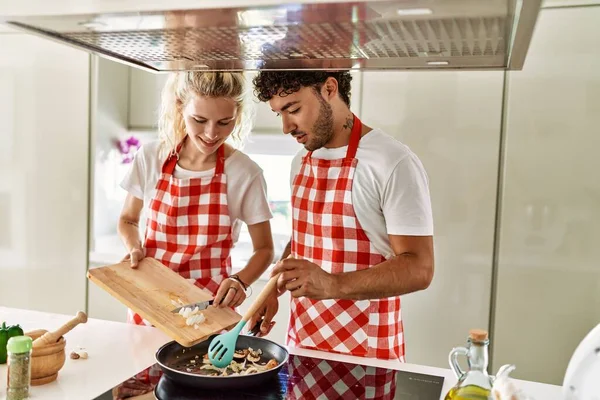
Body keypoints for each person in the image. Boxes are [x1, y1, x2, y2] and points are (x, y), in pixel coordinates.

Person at [248, 71, 434, 362]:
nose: (286, 127)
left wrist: (333, 285)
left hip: (369, 358)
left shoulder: (392, 162)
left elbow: (420, 268)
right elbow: (305, 240)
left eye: (294, 109)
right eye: (278, 114)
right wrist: (271, 290)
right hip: (302, 346)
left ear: (330, 88)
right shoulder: (301, 160)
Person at [114, 71, 274, 396]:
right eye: (199, 120)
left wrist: (241, 280)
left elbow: (265, 250)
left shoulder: (245, 172)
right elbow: (128, 220)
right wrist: (134, 248)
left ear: (237, 116)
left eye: (225, 122)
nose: (212, 133)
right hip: (150, 308)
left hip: (210, 314)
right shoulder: (151, 157)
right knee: (139, 392)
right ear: (179, 106)